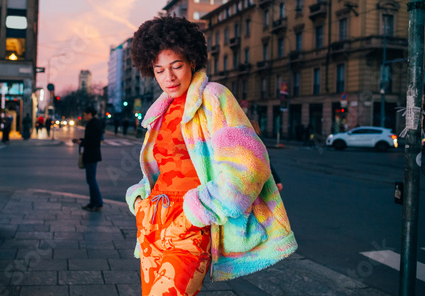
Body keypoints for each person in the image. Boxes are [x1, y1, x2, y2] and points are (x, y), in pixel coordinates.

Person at [125, 16, 297, 296]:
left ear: (192, 61)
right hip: (152, 224)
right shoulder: (159, 112)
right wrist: (140, 199)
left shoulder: (213, 98)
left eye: (176, 66)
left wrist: (200, 209)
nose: (168, 77)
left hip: (190, 224)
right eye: (159, 70)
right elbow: (160, 169)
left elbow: (249, 163)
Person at [73, 107, 104, 212]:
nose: (84, 116)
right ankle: (93, 203)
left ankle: (97, 203)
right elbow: (91, 139)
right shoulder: (94, 123)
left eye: (85, 114)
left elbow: (93, 142)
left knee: (91, 180)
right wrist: (81, 140)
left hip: (91, 155)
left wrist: (81, 143)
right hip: (92, 155)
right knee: (91, 180)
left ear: (90, 114)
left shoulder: (93, 124)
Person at [250, 120, 283, 192]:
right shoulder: (259, 141)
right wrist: (277, 180)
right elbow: (266, 162)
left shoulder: (245, 141)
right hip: (259, 176)